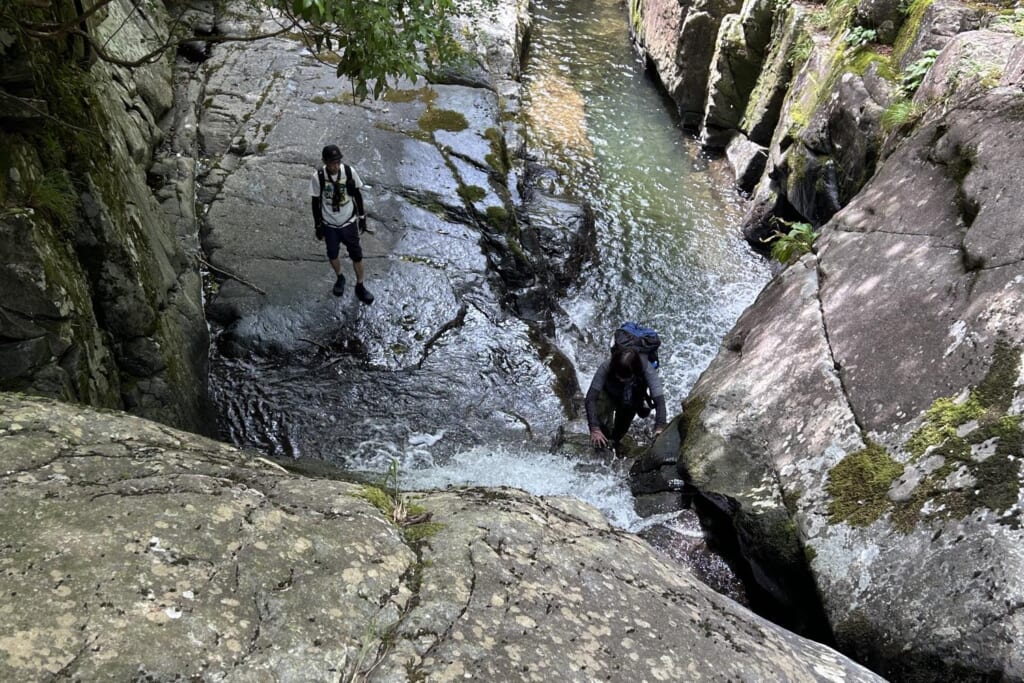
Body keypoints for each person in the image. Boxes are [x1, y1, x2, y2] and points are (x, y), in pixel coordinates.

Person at [311, 144, 374, 304]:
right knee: (332, 253)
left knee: (357, 255)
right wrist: (318, 225)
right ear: (324, 161)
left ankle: (360, 285)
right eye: (332, 163)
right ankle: (340, 277)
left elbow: (358, 195)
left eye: (337, 162)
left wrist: (362, 216)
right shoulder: (318, 177)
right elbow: (315, 202)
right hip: (329, 224)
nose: (335, 166)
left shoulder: (348, 172)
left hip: (348, 222)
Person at [585, 348, 667, 448]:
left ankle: (613, 443)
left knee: (620, 430)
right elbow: (590, 398)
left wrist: (660, 427)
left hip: (632, 397)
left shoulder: (647, 369)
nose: (620, 378)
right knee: (600, 416)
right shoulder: (607, 365)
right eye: (618, 375)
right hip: (609, 393)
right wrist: (594, 428)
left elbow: (660, 401)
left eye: (623, 377)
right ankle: (603, 437)